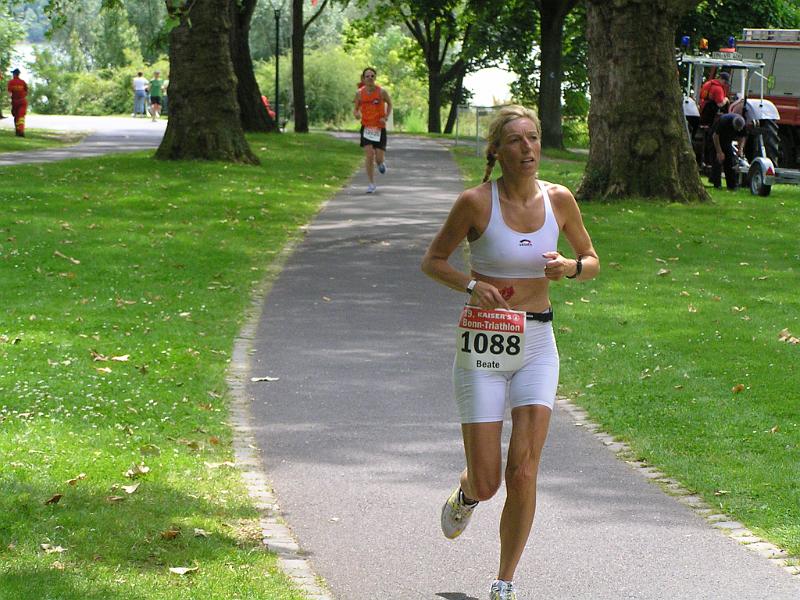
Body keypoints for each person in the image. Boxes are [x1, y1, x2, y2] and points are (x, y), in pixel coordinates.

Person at [421, 105, 599, 600]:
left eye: (534, 138)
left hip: (538, 343)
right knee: (489, 479)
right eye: (516, 140)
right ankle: (467, 492)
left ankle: (504, 580)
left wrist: (570, 266)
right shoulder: (476, 203)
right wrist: (472, 283)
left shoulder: (560, 200)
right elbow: (433, 261)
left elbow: (592, 259)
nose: (528, 148)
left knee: (523, 469)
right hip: (484, 343)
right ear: (496, 150)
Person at [353, 67, 392, 194]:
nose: (370, 78)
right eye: (367, 76)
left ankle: (381, 163)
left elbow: (390, 104)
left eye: (372, 76)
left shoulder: (382, 92)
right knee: (369, 155)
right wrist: (357, 113)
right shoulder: (359, 93)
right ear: (363, 79)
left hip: (379, 128)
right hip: (367, 127)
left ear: (375, 78)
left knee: (378, 158)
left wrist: (385, 117)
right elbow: (356, 108)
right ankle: (371, 183)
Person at [710, 113, 746, 190]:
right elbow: (715, 136)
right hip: (716, 140)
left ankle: (731, 186)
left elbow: (742, 137)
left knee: (730, 162)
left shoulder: (742, 123)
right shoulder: (724, 121)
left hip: (727, 141)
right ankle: (717, 185)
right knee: (718, 161)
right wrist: (719, 152)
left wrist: (740, 149)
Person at [7, 69, 28, 137]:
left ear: (14, 74)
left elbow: (9, 92)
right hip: (22, 101)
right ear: (19, 74)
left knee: (18, 116)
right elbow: (26, 91)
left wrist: (9, 99)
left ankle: (20, 131)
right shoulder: (23, 82)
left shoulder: (11, 82)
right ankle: (19, 131)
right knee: (20, 116)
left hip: (15, 102)